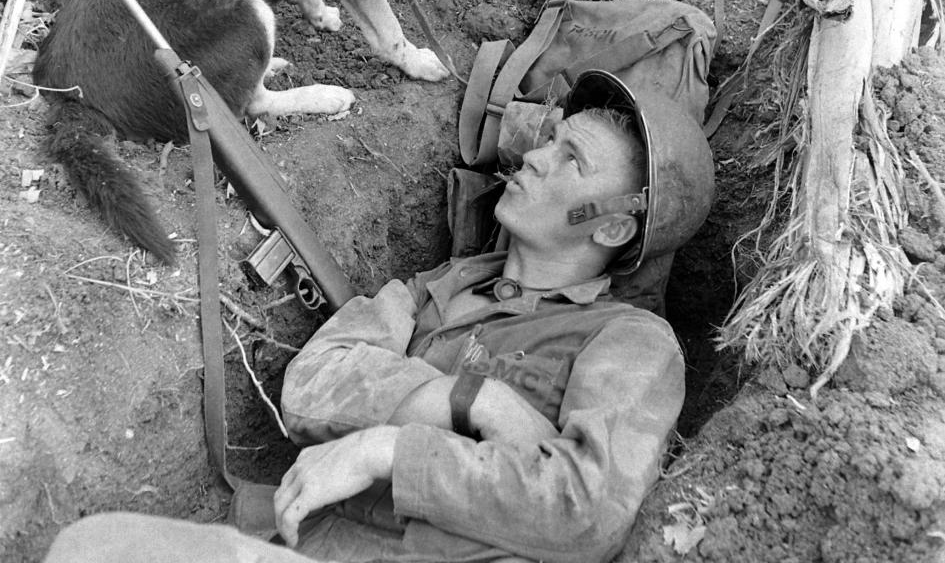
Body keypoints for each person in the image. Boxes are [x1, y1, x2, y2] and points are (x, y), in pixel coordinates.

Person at [43, 70, 715, 563]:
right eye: (552, 140)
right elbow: (311, 386)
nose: (535, 156)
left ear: (610, 228)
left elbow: (587, 510)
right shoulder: (430, 292)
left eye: (572, 160)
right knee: (94, 546)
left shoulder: (629, 341)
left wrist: (388, 445)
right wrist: (472, 401)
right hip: (307, 540)